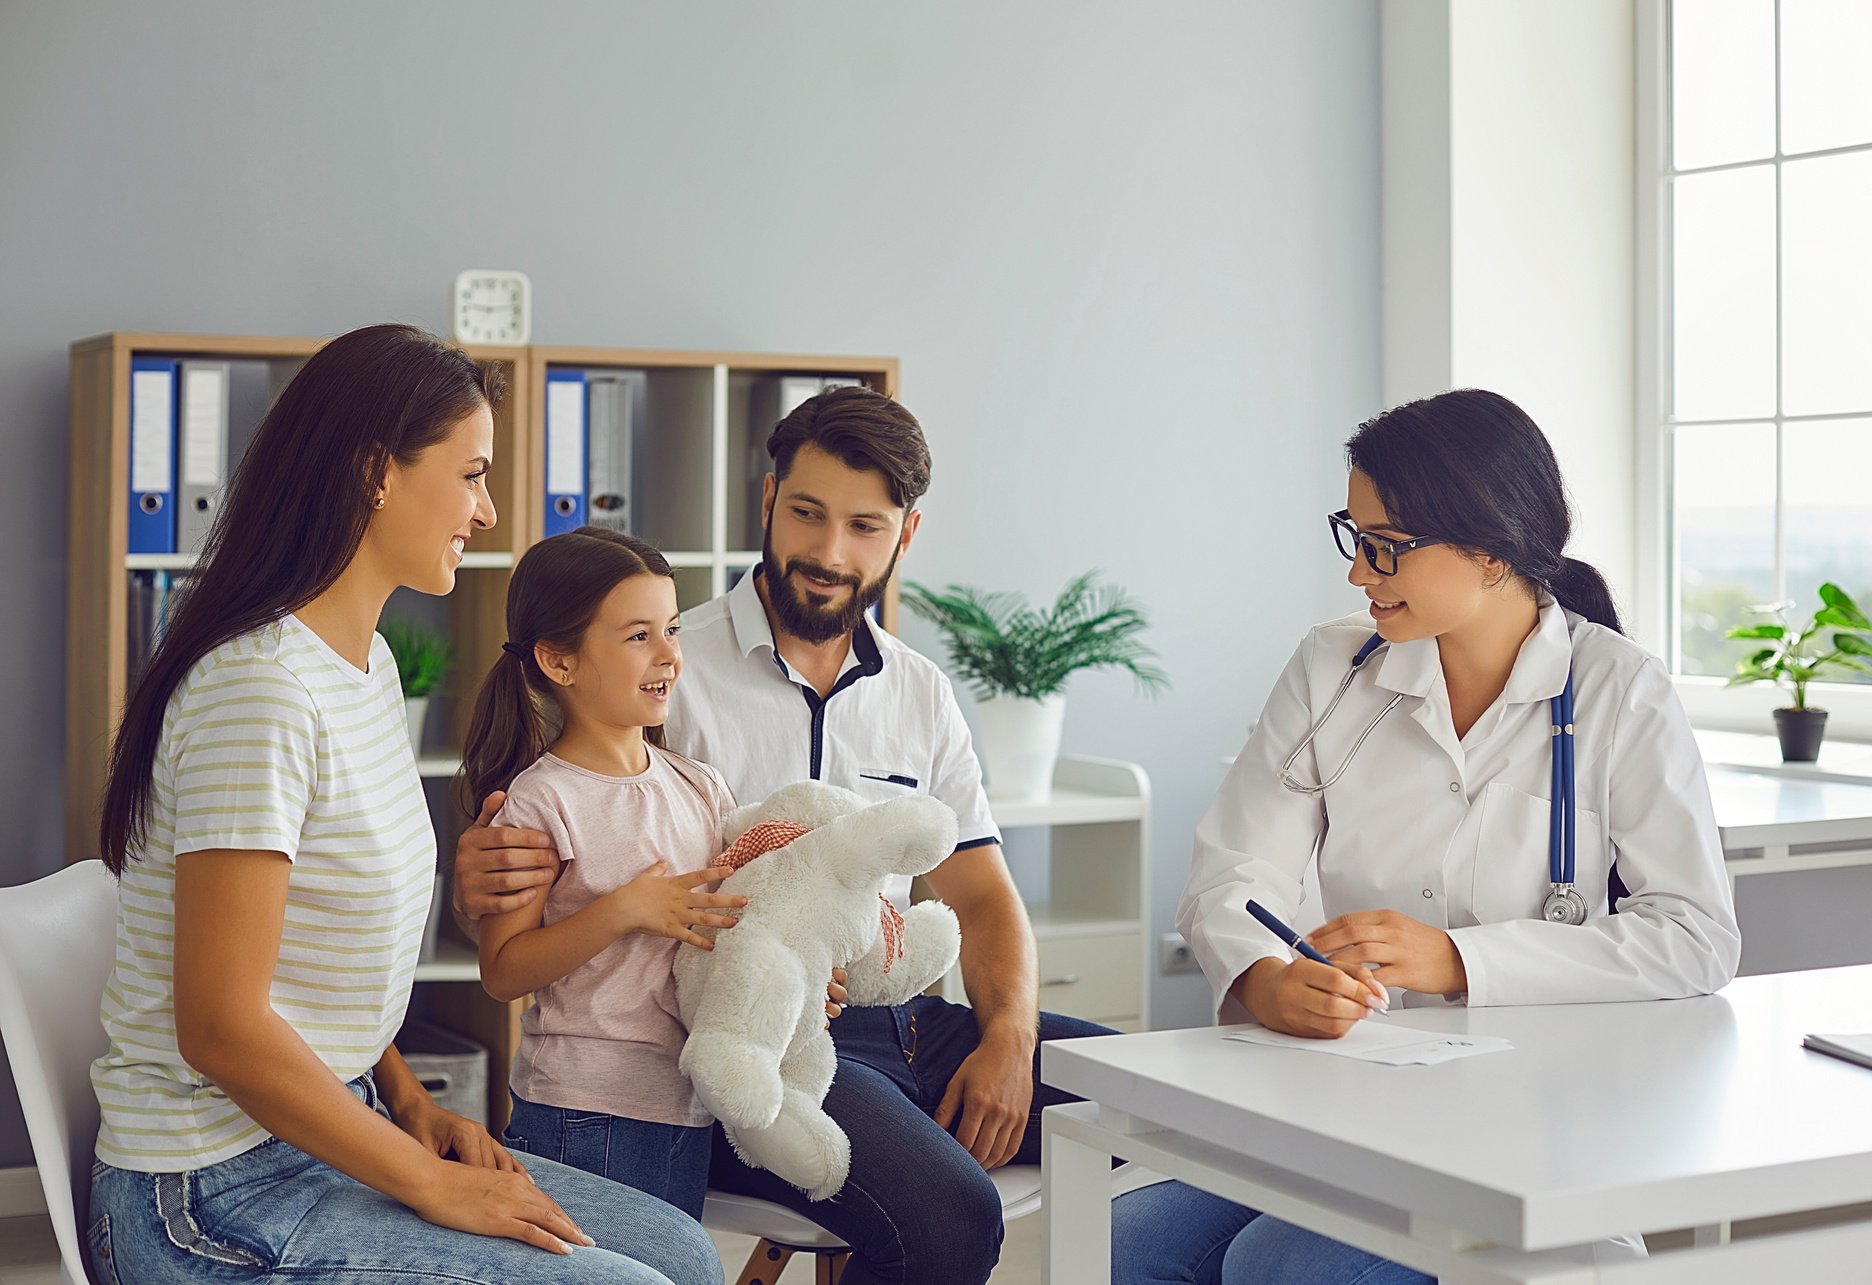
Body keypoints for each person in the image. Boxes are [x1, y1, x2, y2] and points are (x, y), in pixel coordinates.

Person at [87, 325, 719, 1285]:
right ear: (377, 470)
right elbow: (219, 1025)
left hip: (335, 1127)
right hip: (206, 1190)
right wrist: (429, 1185)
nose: (487, 506)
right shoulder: (257, 690)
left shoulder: (366, 665)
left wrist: (406, 1100)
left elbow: (310, 960)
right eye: (470, 474)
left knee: (682, 1254)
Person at [453, 385, 1116, 1284]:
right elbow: (544, 844)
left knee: (1167, 1101)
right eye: (806, 514)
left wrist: (1009, 1038)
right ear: (767, 501)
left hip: (906, 1014)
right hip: (764, 1029)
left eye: (865, 527)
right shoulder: (658, 666)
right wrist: (482, 875)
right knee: (949, 1215)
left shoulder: (918, 689)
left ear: (904, 536)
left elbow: (981, 891)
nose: (829, 552)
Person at [1112, 389, 1740, 1285]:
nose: (1358, 573)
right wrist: (1263, 976)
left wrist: (1458, 960)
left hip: (1531, 1117)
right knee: (1121, 1243)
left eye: (1385, 547)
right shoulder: (1334, 667)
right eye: (1353, 535)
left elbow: (1694, 935)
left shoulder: (1619, 691)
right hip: (1345, 1095)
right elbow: (1235, 869)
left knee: (1279, 1267)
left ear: (1488, 551)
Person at [457, 526, 755, 1222]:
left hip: (682, 1101)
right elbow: (503, 970)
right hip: (582, 1112)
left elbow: (736, 916)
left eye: (672, 629)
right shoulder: (540, 800)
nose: (669, 655)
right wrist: (622, 909)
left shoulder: (700, 785)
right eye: (637, 635)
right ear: (559, 660)